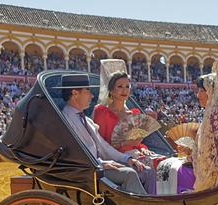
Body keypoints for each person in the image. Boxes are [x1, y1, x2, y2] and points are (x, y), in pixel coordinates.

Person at [93, 60, 194, 194]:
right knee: (157, 167)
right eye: (120, 86)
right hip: (116, 155)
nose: (124, 90)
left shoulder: (134, 113)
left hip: (137, 152)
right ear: (111, 90)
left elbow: (137, 141)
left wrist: (140, 147)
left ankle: (178, 193)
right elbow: (101, 143)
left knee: (167, 162)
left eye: (127, 86)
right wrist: (125, 149)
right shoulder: (102, 112)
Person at [57, 73, 147, 195]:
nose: (92, 95)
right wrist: (101, 163)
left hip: (95, 165)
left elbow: (103, 146)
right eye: (88, 91)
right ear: (75, 93)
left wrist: (127, 158)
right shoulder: (66, 119)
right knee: (129, 174)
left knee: (138, 169)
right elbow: (75, 154)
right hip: (86, 171)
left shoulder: (85, 119)